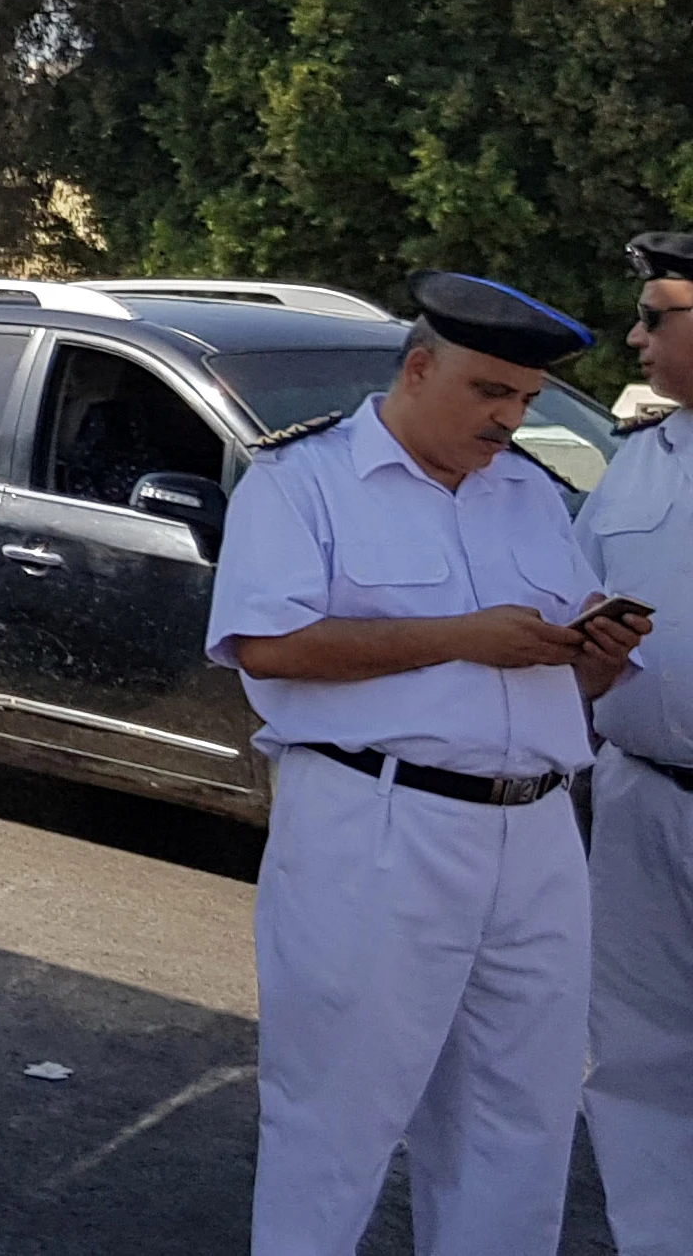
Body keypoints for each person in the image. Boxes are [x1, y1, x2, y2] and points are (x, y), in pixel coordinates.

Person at [208, 271, 650, 1256]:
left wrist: (593, 664)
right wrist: (457, 637)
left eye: (525, 402)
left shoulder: (529, 494)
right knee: (337, 1116)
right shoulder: (303, 480)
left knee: (519, 1118)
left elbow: (549, 679)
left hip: (535, 830)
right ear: (419, 367)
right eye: (490, 393)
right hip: (379, 822)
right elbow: (267, 648)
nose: (508, 420)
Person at [587, 231, 693, 1255]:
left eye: (656, 316)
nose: (634, 336)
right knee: (640, 1058)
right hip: (640, 799)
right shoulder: (636, 461)